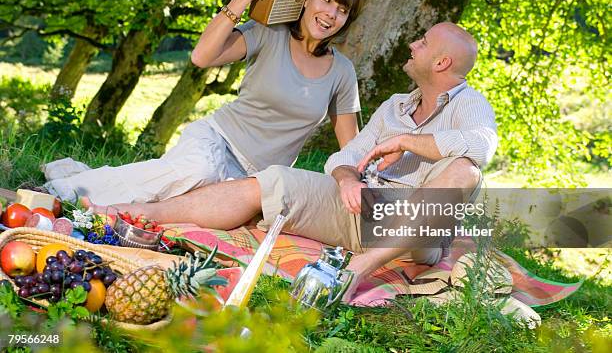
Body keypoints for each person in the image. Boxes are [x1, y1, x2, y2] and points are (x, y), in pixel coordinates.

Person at [84, 22, 498, 295]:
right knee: (274, 180)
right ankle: (128, 213)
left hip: (414, 232)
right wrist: (348, 178)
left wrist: (409, 141)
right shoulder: (394, 106)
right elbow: (346, 154)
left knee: (464, 169)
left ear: (441, 62)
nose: (413, 44)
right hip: (363, 209)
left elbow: (482, 148)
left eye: (423, 43)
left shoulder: (471, 104)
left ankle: (359, 268)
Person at [43, 0, 364, 205]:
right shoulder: (270, 32)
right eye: (326, 0)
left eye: (342, 9)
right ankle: (66, 192)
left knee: (176, 201)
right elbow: (202, 56)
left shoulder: (342, 72)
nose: (331, 14)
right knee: (198, 170)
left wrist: (362, 188)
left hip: (257, 178)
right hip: (217, 140)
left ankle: (77, 173)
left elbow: (352, 148)